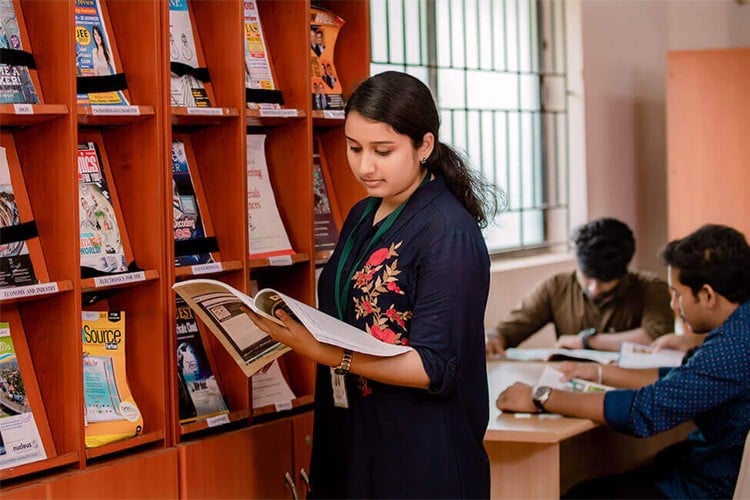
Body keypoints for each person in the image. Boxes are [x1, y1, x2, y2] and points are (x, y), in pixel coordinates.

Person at [245, 71, 500, 498]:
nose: (365, 166)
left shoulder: (448, 232)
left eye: (383, 151)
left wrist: (324, 352)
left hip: (419, 456)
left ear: (425, 146)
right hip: (350, 435)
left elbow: (432, 367)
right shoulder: (363, 215)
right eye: (354, 147)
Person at [496, 223, 750, 499]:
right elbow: (683, 376)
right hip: (704, 463)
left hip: (710, 485)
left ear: (708, 295)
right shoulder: (739, 328)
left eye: (677, 295)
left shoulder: (731, 348)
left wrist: (540, 396)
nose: (674, 306)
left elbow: (646, 410)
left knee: (583, 494)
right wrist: (600, 373)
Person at [486, 217, 674, 356]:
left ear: (623, 270)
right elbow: (513, 327)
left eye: (604, 281)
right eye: (588, 278)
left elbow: (657, 337)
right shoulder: (557, 287)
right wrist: (495, 338)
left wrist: (587, 342)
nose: (594, 289)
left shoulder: (651, 288)